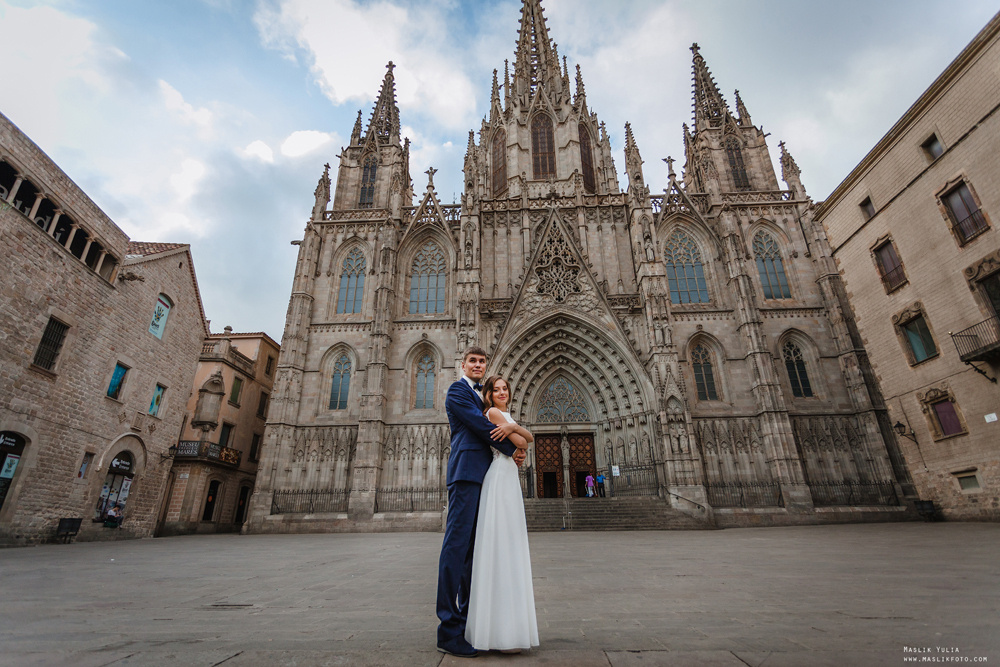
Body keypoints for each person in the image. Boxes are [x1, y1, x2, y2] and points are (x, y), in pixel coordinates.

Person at [436, 347, 526, 658]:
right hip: (466, 474)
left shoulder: (481, 397)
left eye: (482, 361)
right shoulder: (458, 391)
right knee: (456, 548)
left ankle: (466, 623)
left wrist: (513, 443)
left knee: (472, 554)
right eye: (472, 361)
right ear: (463, 364)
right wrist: (514, 447)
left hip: (483, 476)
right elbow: (480, 425)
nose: (477, 365)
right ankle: (448, 630)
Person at [466, 376, 539, 654]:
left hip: (508, 477)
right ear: (488, 394)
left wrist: (513, 428)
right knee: (501, 547)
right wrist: (515, 430)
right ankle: (499, 632)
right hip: (499, 478)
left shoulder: (504, 416)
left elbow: (528, 439)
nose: (501, 392)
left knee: (510, 547)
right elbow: (522, 440)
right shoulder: (494, 413)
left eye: (504, 388)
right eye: (495, 389)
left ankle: (507, 630)